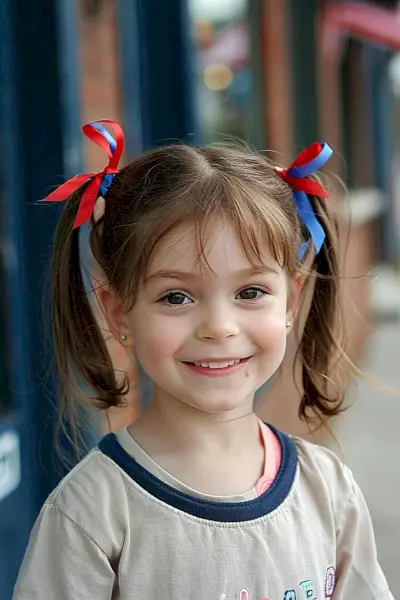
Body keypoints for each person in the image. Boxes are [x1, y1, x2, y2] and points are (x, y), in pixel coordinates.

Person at [13, 120, 393, 600]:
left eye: (250, 291)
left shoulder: (329, 490)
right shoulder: (92, 513)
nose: (219, 326)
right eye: (176, 297)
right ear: (118, 311)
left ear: (291, 303)